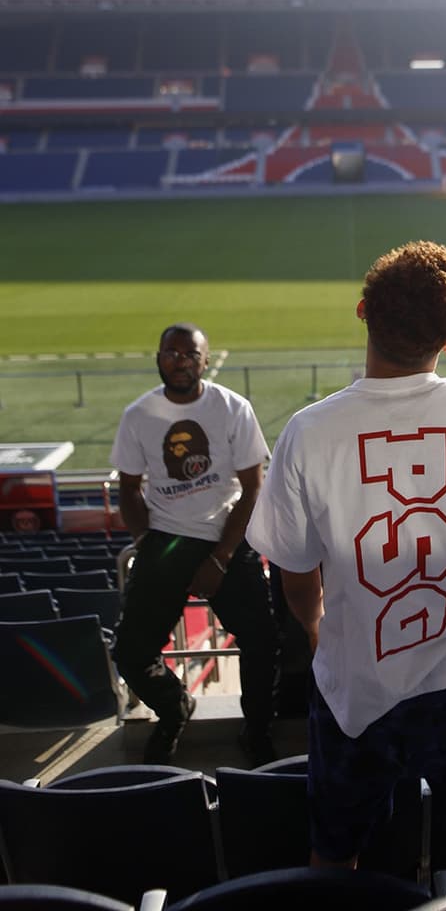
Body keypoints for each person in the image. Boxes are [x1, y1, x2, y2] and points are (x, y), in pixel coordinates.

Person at [247, 241, 446, 884]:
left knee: (336, 855)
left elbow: (295, 572)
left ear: (363, 311)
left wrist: (316, 633)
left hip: (355, 687)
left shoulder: (307, 432)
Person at [110, 322, 280, 766]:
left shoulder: (231, 407)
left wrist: (221, 558)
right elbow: (129, 488)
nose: (180, 361)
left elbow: (253, 487)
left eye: (190, 354)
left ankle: (257, 729)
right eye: (171, 352)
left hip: (226, 539)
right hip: (165, 541)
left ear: (205, 360)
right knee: (129, 651)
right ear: (158, 358)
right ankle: (174, 709)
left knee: (262, 643)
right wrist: (146, 542)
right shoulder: (139, 415)